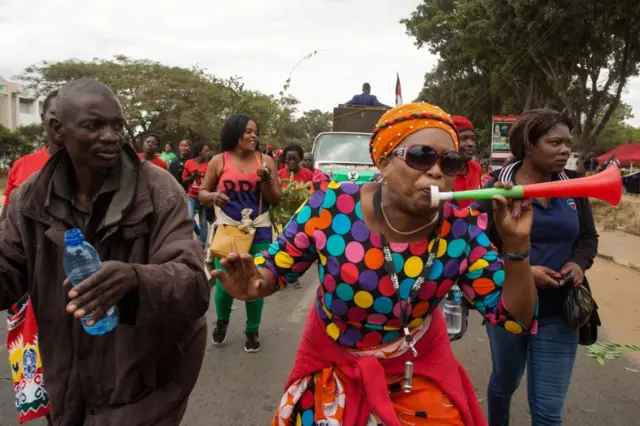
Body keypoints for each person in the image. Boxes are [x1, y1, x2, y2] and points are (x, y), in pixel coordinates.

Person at [212, 102, 538, 425]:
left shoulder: (461, 229)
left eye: (450, 162)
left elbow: (513, 317)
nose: (437, 171)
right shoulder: (330, 207)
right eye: (421, 156)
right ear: (383, 161)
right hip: (332, 364)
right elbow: (275, 269)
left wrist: (517, 246)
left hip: (418, 368)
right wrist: (257, 282)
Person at [0, 78, 210, 425]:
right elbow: (8, 274)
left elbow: (193, 282)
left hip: (147, 397)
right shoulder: (30, 201)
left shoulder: (159, 191)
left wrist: (136, 279)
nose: (111, 136)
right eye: (94, 126)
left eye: (118, 125)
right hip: (68, 395)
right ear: (56, 130)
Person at [478, 108, 598, 426]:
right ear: (529, 145)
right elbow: (476, 249)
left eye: (567, 143)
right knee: (504, 384)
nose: (564, 150)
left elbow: (587, 238)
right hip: (508, 309)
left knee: (548, 412)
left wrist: (578, 263)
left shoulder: (574, 187)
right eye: (554, 142)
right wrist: (521, 272)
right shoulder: (494, 191)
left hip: (558, 312)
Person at [198, 113, 282, 353]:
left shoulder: (265, 161)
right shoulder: (219, 161)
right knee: (224, 282)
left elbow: (276, 199)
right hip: (228, 230)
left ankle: (252, 330)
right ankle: (222, 320)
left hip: (259, 230)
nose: (253, 135)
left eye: (255, 131)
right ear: (234, 134)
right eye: (248, 131)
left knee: (256, 281)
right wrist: (213, 196)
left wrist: (266, 180)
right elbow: (202, 193)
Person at [183, 143, 212, 245]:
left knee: (203, 223)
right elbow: (184, 180)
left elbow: (213, 181)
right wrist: (193, 176)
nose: (209, 153)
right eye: (206, 150)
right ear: (199, 152)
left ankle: (202, 245)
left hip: (204, 197)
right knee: (189, 219)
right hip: (192, 196)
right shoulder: (189, 163)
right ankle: (189, 242)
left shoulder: (210, 164)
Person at [451, 116, 483, 208]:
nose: (470, 144)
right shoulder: (441, 172)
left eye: (473, 139)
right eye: (464, 138)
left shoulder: (476, 168)